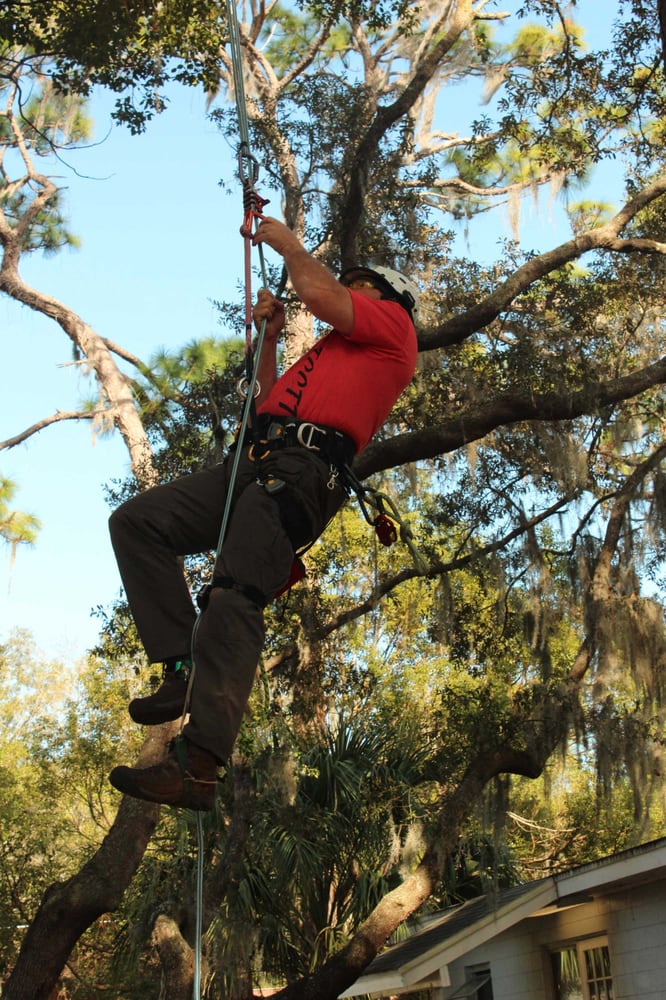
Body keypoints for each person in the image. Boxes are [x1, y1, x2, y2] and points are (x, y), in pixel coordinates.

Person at [108, 217, 419, 810]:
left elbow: (321, 294)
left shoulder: (394, 330)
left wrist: (289, 246)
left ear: (387, 297)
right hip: (256, 461)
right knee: (137, 522)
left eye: (360, 285)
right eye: (349, 283)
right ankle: (179, 668)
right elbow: (268, 405)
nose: (349, 291)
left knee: (234, 593)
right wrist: (272, 339)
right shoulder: (332, 355)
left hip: (301, 473)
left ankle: (198, 766)